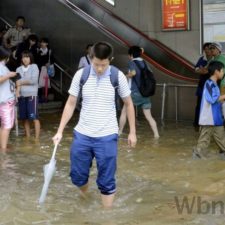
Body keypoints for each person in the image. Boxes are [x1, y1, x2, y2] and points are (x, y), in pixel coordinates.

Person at [52, 42, 137, 208]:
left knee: (107, 180)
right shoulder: (81, 75)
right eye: (96, 64)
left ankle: (106, 215)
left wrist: (132, 132)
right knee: (77, 176)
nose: (99, 69)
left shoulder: (117, 76)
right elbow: (70, 103)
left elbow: (128, 104)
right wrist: (60, 131)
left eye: (103, 65)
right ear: (91, 58)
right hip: (82, 134)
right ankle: (85, 198)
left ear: (110, 60)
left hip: (107, 135)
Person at [119, 46, 159, 138]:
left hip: (134, 93)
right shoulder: (145, 63)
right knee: (149, 116)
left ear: (131, 55)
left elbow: (133, 73)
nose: (129, 57)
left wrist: (125, 76)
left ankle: (119, 132)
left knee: (124, 112)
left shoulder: (132, 62)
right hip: (145, 93)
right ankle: (156, 135)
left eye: (129, 55)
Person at [193, 61, 225, 159]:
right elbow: (212, 99)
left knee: (222, 139)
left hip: (216, 119)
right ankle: (197, 158)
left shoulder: (214, 84)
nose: (223, 73)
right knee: (204, 141)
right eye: (222, 71)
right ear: (216, 71)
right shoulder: (209, 83)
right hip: (209, 119)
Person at [16, 51, 40, 139]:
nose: (25, 59)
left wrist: (20, 82)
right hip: (21, 96)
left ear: (30, 58)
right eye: (23, 57)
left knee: (34, 118)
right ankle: (28, 138)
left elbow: (33, 81)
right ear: (21, 59)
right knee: (24, 118)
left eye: (27, 57)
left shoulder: (34, 66)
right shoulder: (18, 69)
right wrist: (17, 92)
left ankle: (37, 139)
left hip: (32, 96)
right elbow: (17, 83)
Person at [0, 46, 17, 152]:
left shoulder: (3, 66)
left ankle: (3, 145)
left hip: (4, 100)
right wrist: (9, 75)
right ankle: (3, 149)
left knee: (3, 125)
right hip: (5, 101)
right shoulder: (2, 67)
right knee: (7, 125)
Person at [194, 42, 212, 127]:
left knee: (212, 106)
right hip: (202, 86)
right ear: (204, 50)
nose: (208, 51)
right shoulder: (201, 59)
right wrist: (202, 71)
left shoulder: (215, 59)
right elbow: (196, 69)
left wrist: (205, 70)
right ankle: (197, 123)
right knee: (199, 105)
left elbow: (207, 71)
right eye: (206, 49)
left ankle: (210, 123)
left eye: (210, 49)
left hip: (212, 87)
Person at [210, 42, 225, 118]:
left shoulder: (222, 58)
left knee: (222, 104)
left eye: (213, 48)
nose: (211, 50)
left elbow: (205, 70)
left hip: (223, 85)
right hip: (216, 85)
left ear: (219, 49)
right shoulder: (212, 59)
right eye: (211, 48)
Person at [37, 38, 54, 102]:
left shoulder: (49, 51)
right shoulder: (39, 51)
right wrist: (44, 63)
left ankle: (46, 97)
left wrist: (49, 63)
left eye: (44, 42)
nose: (42, 44)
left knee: (47, 83)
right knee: (40, 83)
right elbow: (38, 60)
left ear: (47, 43)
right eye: (41, 42)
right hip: (41, 69)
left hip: (48, 68)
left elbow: (52, 59)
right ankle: (41, 97)